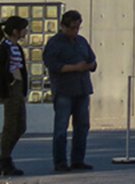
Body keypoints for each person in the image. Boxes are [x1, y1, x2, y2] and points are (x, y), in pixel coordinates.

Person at [42, 9, 98, 173]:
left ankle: (78, 160)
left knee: (82, 126)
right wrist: (75, 67)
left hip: (82, 89)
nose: (75, 31)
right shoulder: (55, 43)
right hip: (64, 90)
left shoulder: (81, 41)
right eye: (72, 28)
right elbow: (53, 65)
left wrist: (89, 66)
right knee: (61, 128)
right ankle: (60, 162)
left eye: (77, 28)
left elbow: (92, 60)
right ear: (63, 26)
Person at [0, 16, 29, 177]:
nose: (25, 32)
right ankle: (5, 159)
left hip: (18, 88)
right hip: (11, 89)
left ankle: (4, 155)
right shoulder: (4, 47)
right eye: (23, 29)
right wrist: (11, 80)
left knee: (21, 126)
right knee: (10, 125)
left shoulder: (16, 46)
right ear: (15, 31)